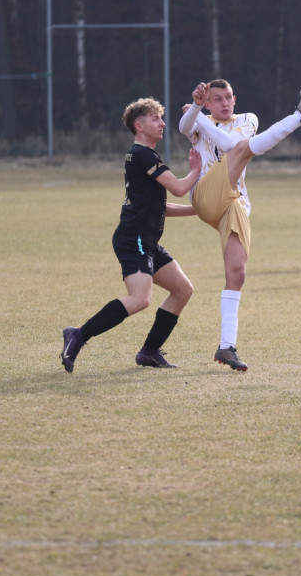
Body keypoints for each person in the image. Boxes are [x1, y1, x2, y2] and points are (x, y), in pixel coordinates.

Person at [178, 80, 301, 371]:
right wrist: (197, 111)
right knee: (242, 150)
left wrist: (201, 118)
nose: (225, 103)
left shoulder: (247, 119)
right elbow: (184, 127)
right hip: (204, 196)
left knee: (237, 274)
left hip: (234, 205)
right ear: (209, 102)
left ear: (234, 99)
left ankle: (226, 346)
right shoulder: (199, 118)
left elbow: (232, 145)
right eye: (217, 99)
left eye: (228, 97)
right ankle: (297, 118)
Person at [59, 97, 202, 372]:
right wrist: (196, 169)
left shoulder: (144, 156)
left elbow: (159, 207)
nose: (162, 123)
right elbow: (179, 189)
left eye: (161, 118)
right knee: (140, 299)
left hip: (145, 240)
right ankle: (77, 335)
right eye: (155, 119)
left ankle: (149, 352)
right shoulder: (142, 155)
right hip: (133, 238)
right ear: (139, 126)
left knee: (182, 289)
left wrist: (198, 212)